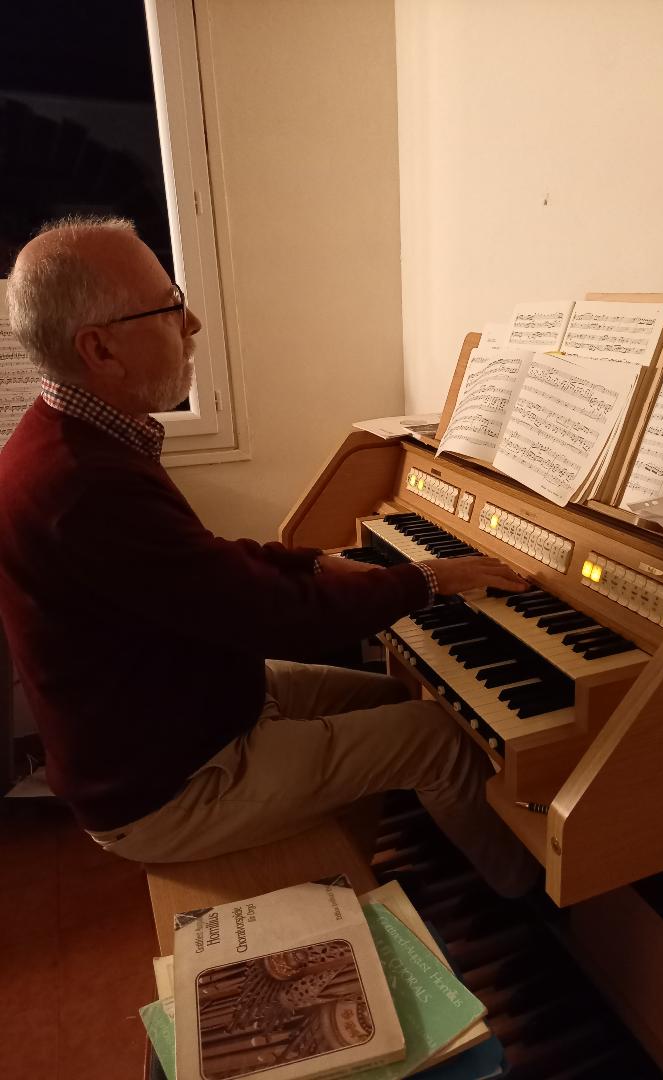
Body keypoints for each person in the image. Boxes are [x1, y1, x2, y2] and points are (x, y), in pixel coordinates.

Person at [0, 216, 539, 897]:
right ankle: (531, 912)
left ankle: (416, 851)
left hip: (191, 711)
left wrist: (308, 563)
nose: (192, 323)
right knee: (434, 733)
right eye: (170, 307)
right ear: (100, 349)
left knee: (396, 693)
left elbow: (197, 564)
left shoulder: (65, 435)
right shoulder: (80, 484)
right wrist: (427, 578)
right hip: (169, 788)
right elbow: (273, 618)